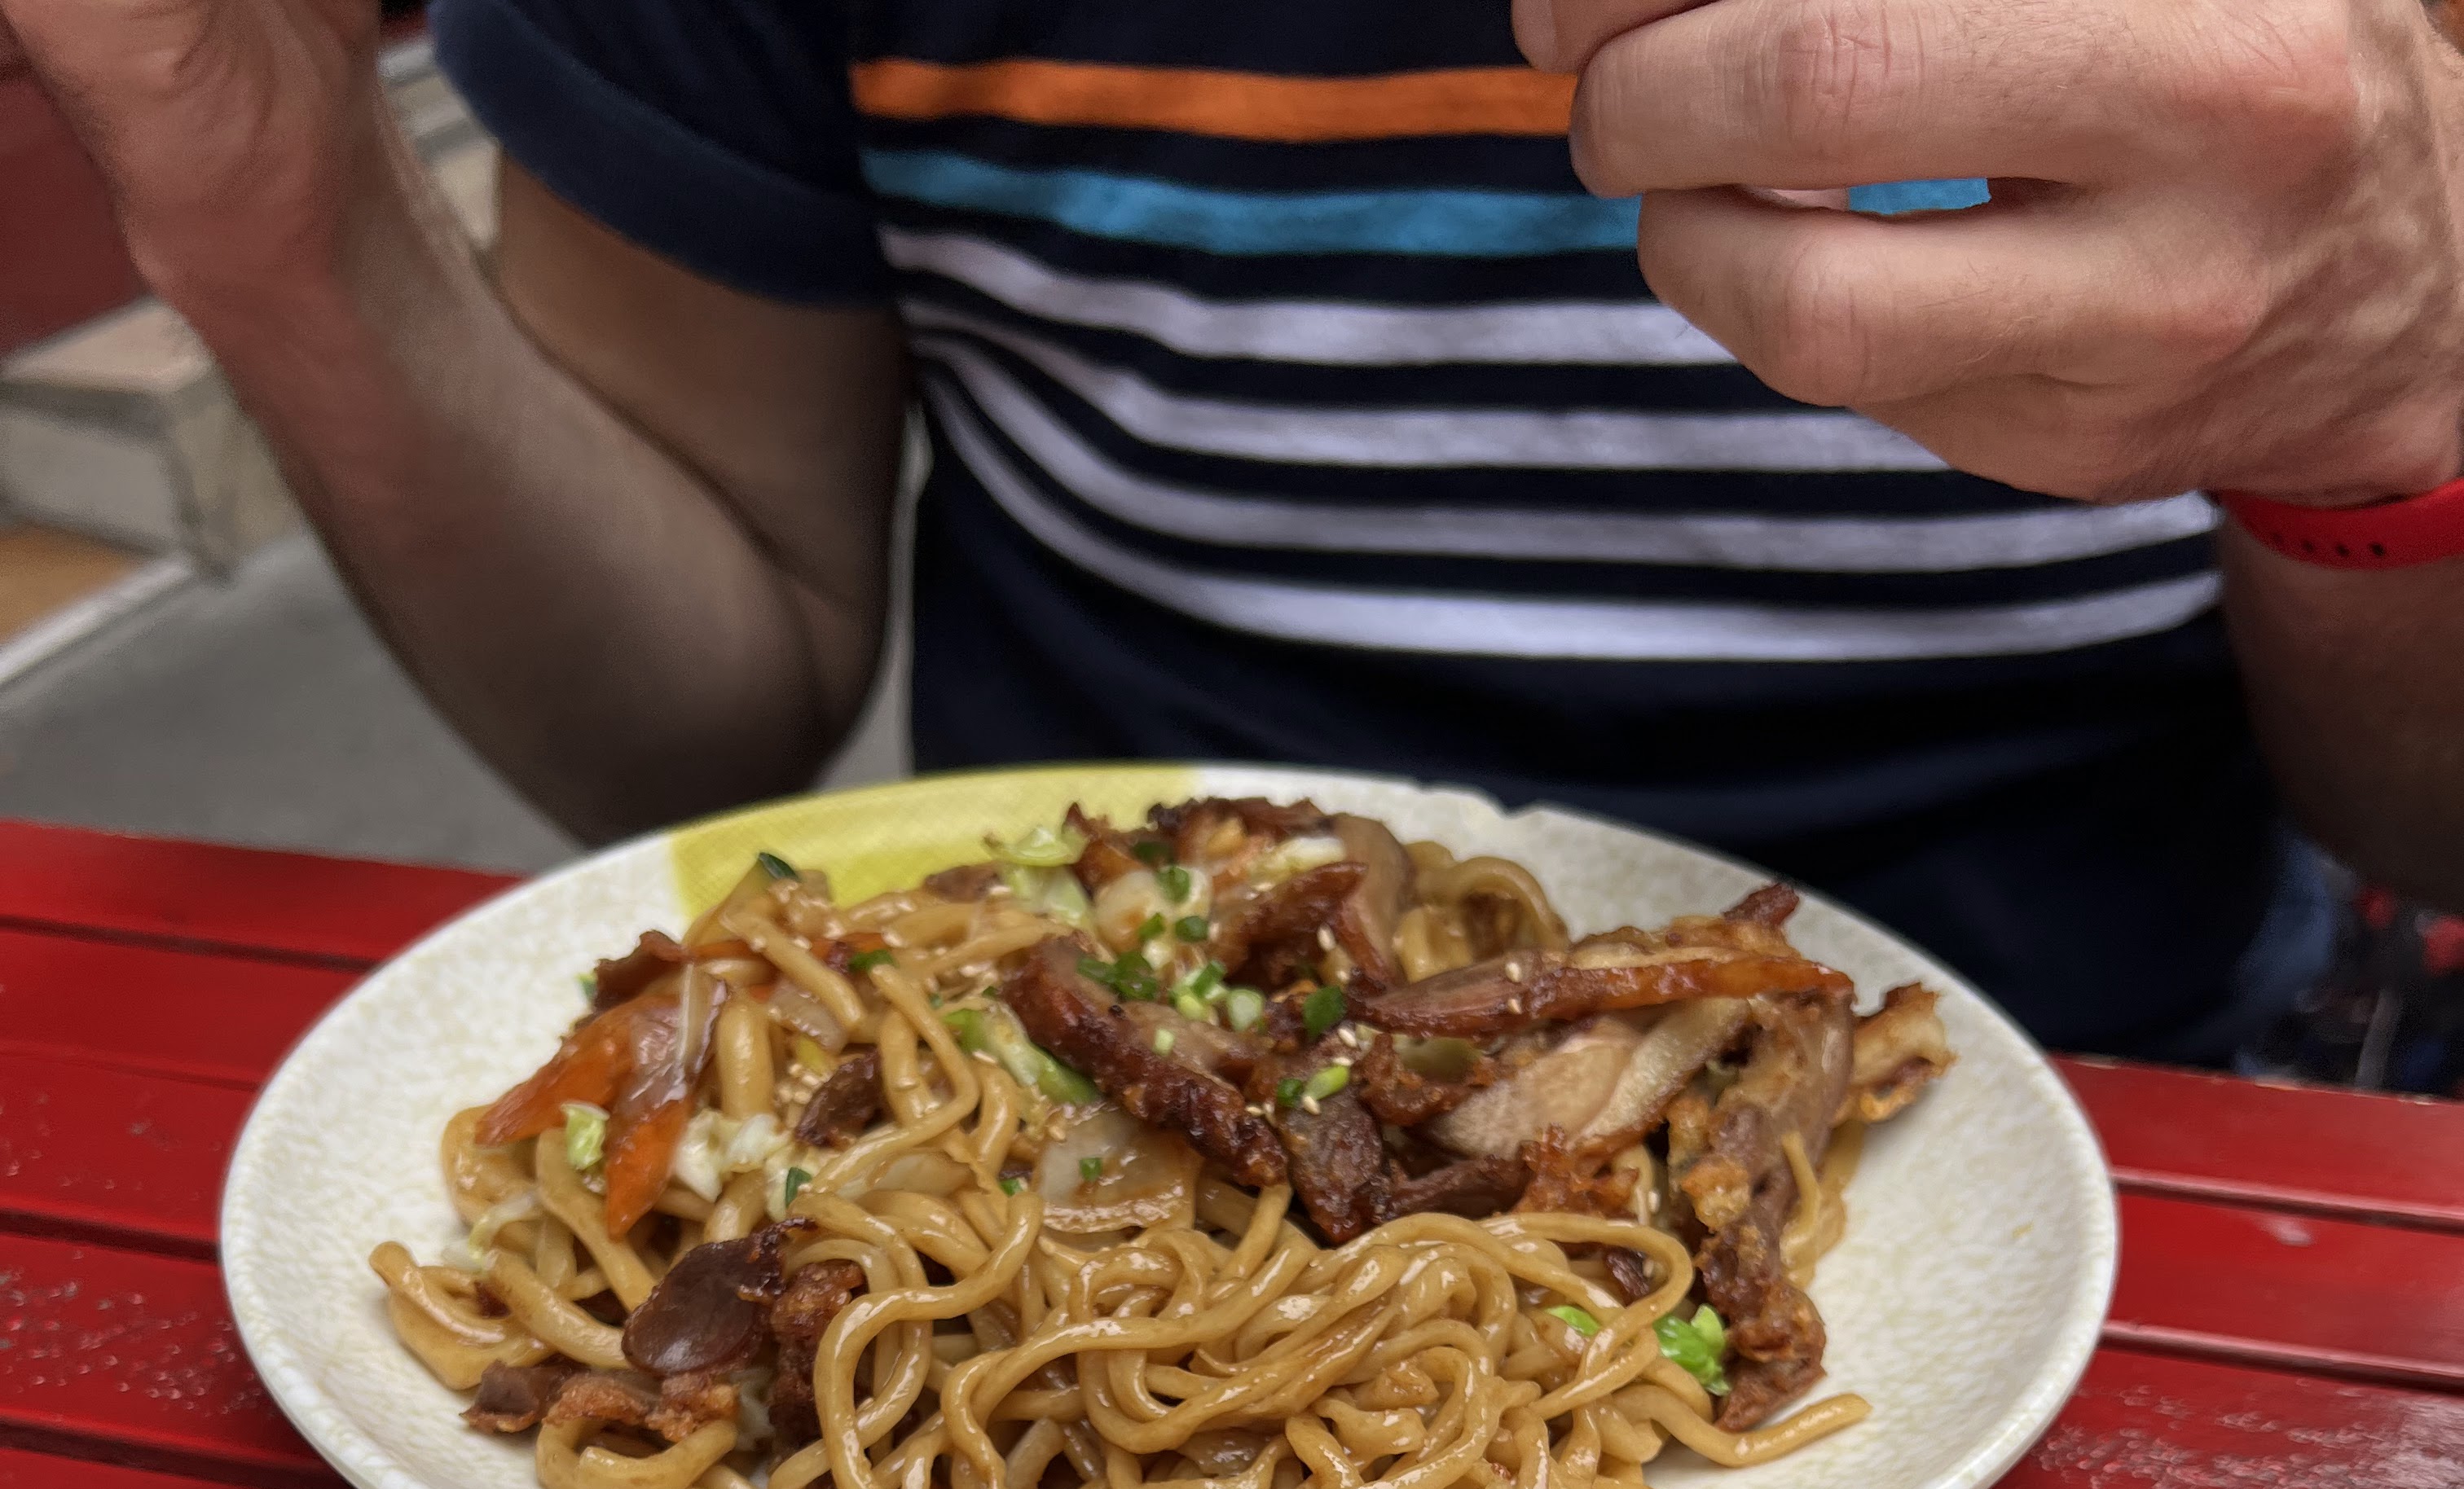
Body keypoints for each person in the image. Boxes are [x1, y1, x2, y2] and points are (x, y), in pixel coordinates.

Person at [11, 0, 2463, 1056]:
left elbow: (2427, 823)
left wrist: (2397, 390)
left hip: (2164, 1085)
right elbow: (693, 717)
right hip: (1055, 1091)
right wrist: (282, 222)